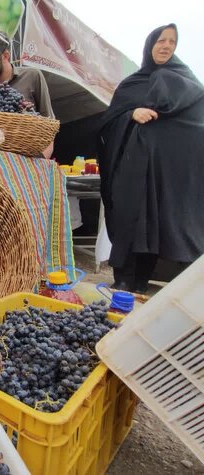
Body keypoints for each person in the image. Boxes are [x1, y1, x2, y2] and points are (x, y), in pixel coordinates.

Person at [97, 24, 204, 293]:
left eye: (172, 41)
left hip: (169, 175)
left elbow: (196, 128)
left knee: (159, 224)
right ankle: (123, 279)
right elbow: (108, 123)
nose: (166, 46)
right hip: (133, 170)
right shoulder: (132, 84)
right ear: (150, 44)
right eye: (160, 40)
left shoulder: (189, 85)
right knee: (128, 218)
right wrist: (131, 114)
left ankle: (143, 280)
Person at [0, 49, 55, 157]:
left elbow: (49, 126)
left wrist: (41, 159)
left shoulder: (32, 75)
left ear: (6, 56)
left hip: (29, 160)